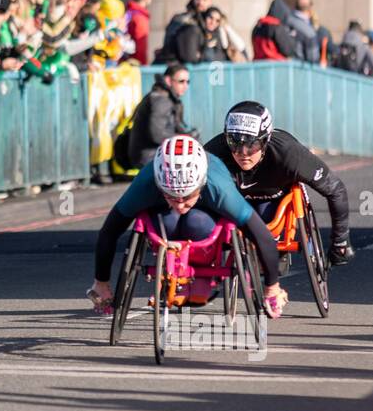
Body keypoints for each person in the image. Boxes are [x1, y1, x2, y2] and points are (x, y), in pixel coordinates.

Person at [87, 135, 286, 318]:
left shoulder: (220, 189)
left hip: (206, 219)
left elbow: (261, 235)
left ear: (200, 184)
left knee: (194, 221)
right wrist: (101, 282)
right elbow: (110, 230)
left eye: (187, 196)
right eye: (173, 196)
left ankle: (200, 278)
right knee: (169, 220)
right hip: (165, 220)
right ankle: (174, 269)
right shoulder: (147, 183)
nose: (181, 205)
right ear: (160, 185)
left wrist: (272, 287)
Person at [204, 101, 355, 266]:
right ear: (226, 139)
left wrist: (340, 241)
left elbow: (335, 189)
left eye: (251, 144)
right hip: (236, 200)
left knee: (265, 217)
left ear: (265, 140)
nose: (243, 154)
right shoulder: (213, 152)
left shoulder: (289, 154)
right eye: (234, 143)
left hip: (274, 198)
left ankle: (276, 253)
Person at [118, 62, 197, 169]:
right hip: (149, 156)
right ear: (169, 81)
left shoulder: (166, 97)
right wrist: (185, 138)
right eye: (181, 81)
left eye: (188, 82)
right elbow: (157, 135)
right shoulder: (161, 100)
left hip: (155, 153)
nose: (185, 86)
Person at [127, 0, 152, 65]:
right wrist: (142, 64)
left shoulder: (129, 13)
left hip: (126, 61)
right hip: (135, 63)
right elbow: (140, 43)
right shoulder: (140, 17)